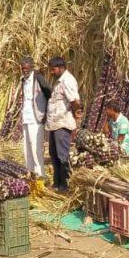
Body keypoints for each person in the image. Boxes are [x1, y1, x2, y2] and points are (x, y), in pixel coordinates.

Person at [44, 57, 80, 192]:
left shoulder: (67, 81)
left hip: (63, 124)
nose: (51, 72)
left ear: (60, 68)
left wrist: (76, 119)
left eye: (53, 69)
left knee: (62, 156)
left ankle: (65, 186)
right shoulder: (58, 82)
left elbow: (75, 101)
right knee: (54, 154)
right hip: (54, 124)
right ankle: (57, 184)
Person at [19, 56, 51, 176]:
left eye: (26, 68)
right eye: (23, 68)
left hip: (36, 118)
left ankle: (40, 175)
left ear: (32, 67)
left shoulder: (38, 78)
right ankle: (30, 173)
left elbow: (49, 93)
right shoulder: (23, 80)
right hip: (26, 118)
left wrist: (45, 113)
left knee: (36, 149)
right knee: (27, 148)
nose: (24, 70)